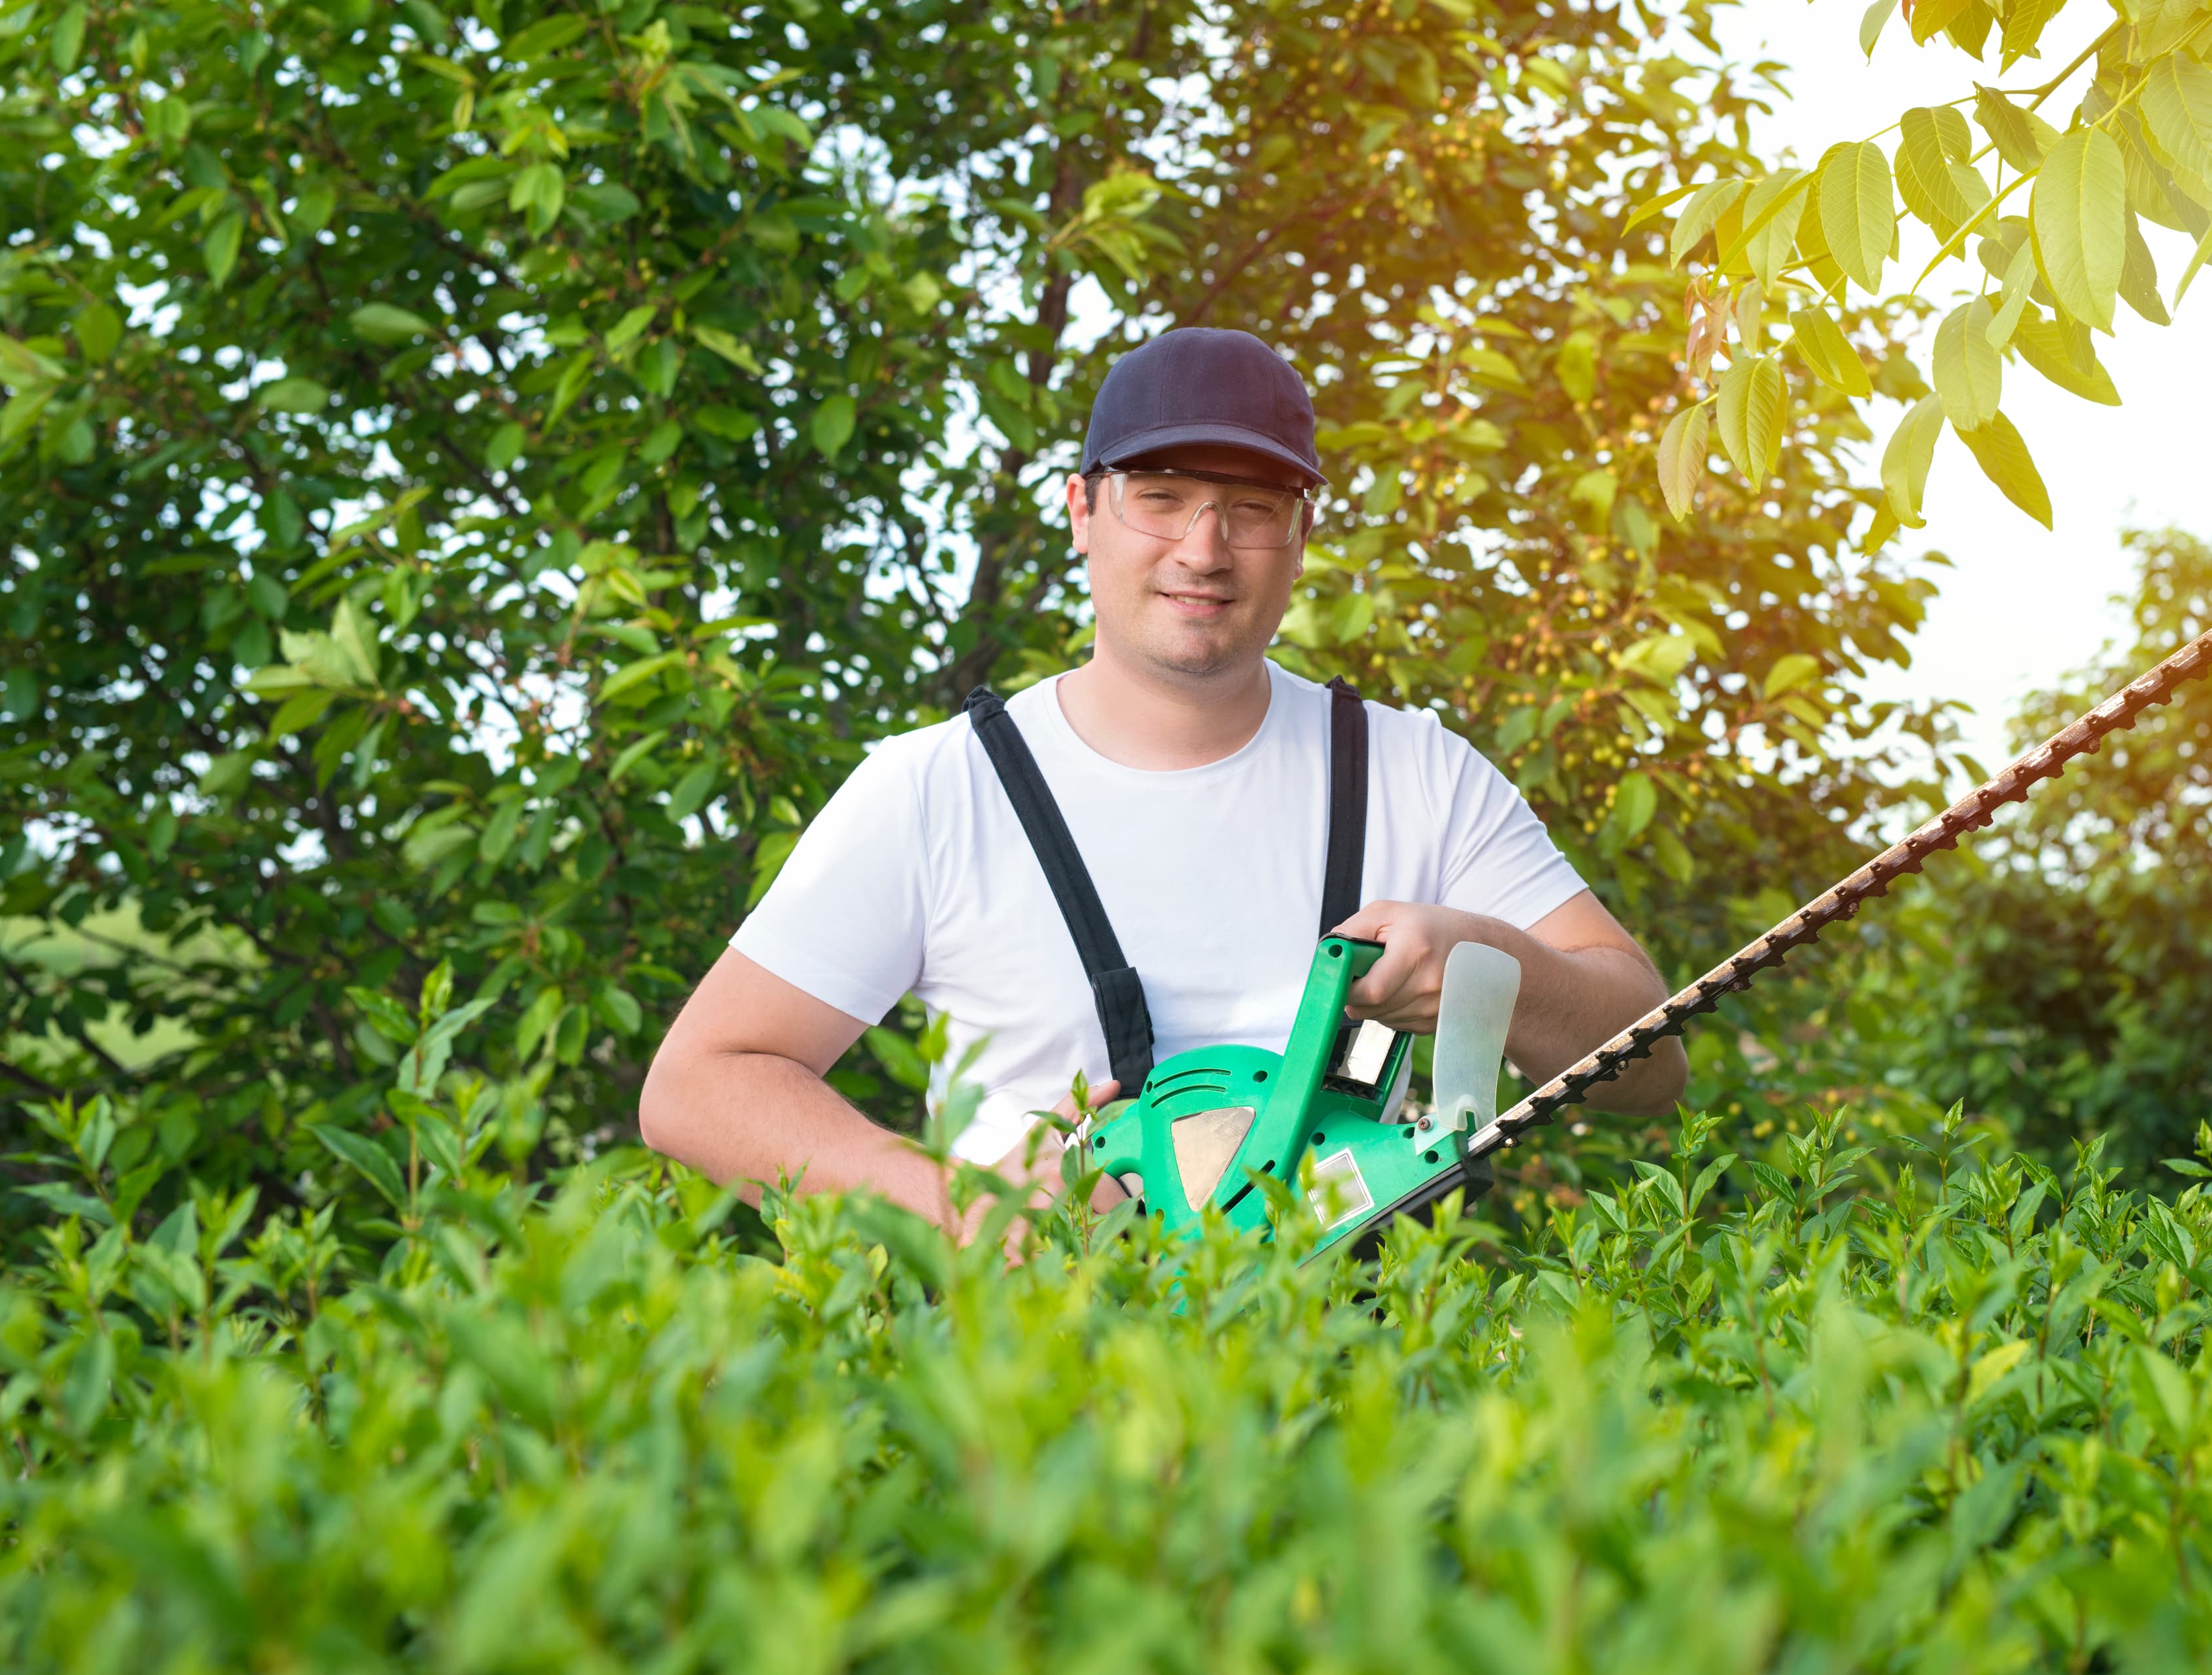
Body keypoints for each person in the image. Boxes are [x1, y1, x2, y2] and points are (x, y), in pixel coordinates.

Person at [640, 327, 1685, 1237]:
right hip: (1031, 1375)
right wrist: (957, 1211)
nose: (1205, 549)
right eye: (1162, 499)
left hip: (1357, 1375)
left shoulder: (1421, 774)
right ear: (1082, 510)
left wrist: (1491, 967)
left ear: (1302, 536)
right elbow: (698, 1085)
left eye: (1251, 508)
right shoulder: (934, 790)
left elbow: (1651, 1064)